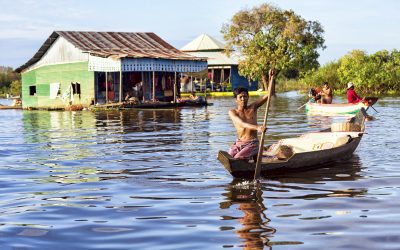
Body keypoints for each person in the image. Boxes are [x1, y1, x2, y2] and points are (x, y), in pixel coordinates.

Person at [228, 87, 268, 161]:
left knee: (238, 158)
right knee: (229, 157)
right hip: (239, 143)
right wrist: (258, 128)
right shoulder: (233, 112)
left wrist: (271, 77)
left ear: (248, 97)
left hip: (253, 143)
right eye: (240, 97)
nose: (243, 99)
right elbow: (242, 124)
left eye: (245, 96)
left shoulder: (253, 107)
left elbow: (268, 95)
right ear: (236, 99)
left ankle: (248, 161)